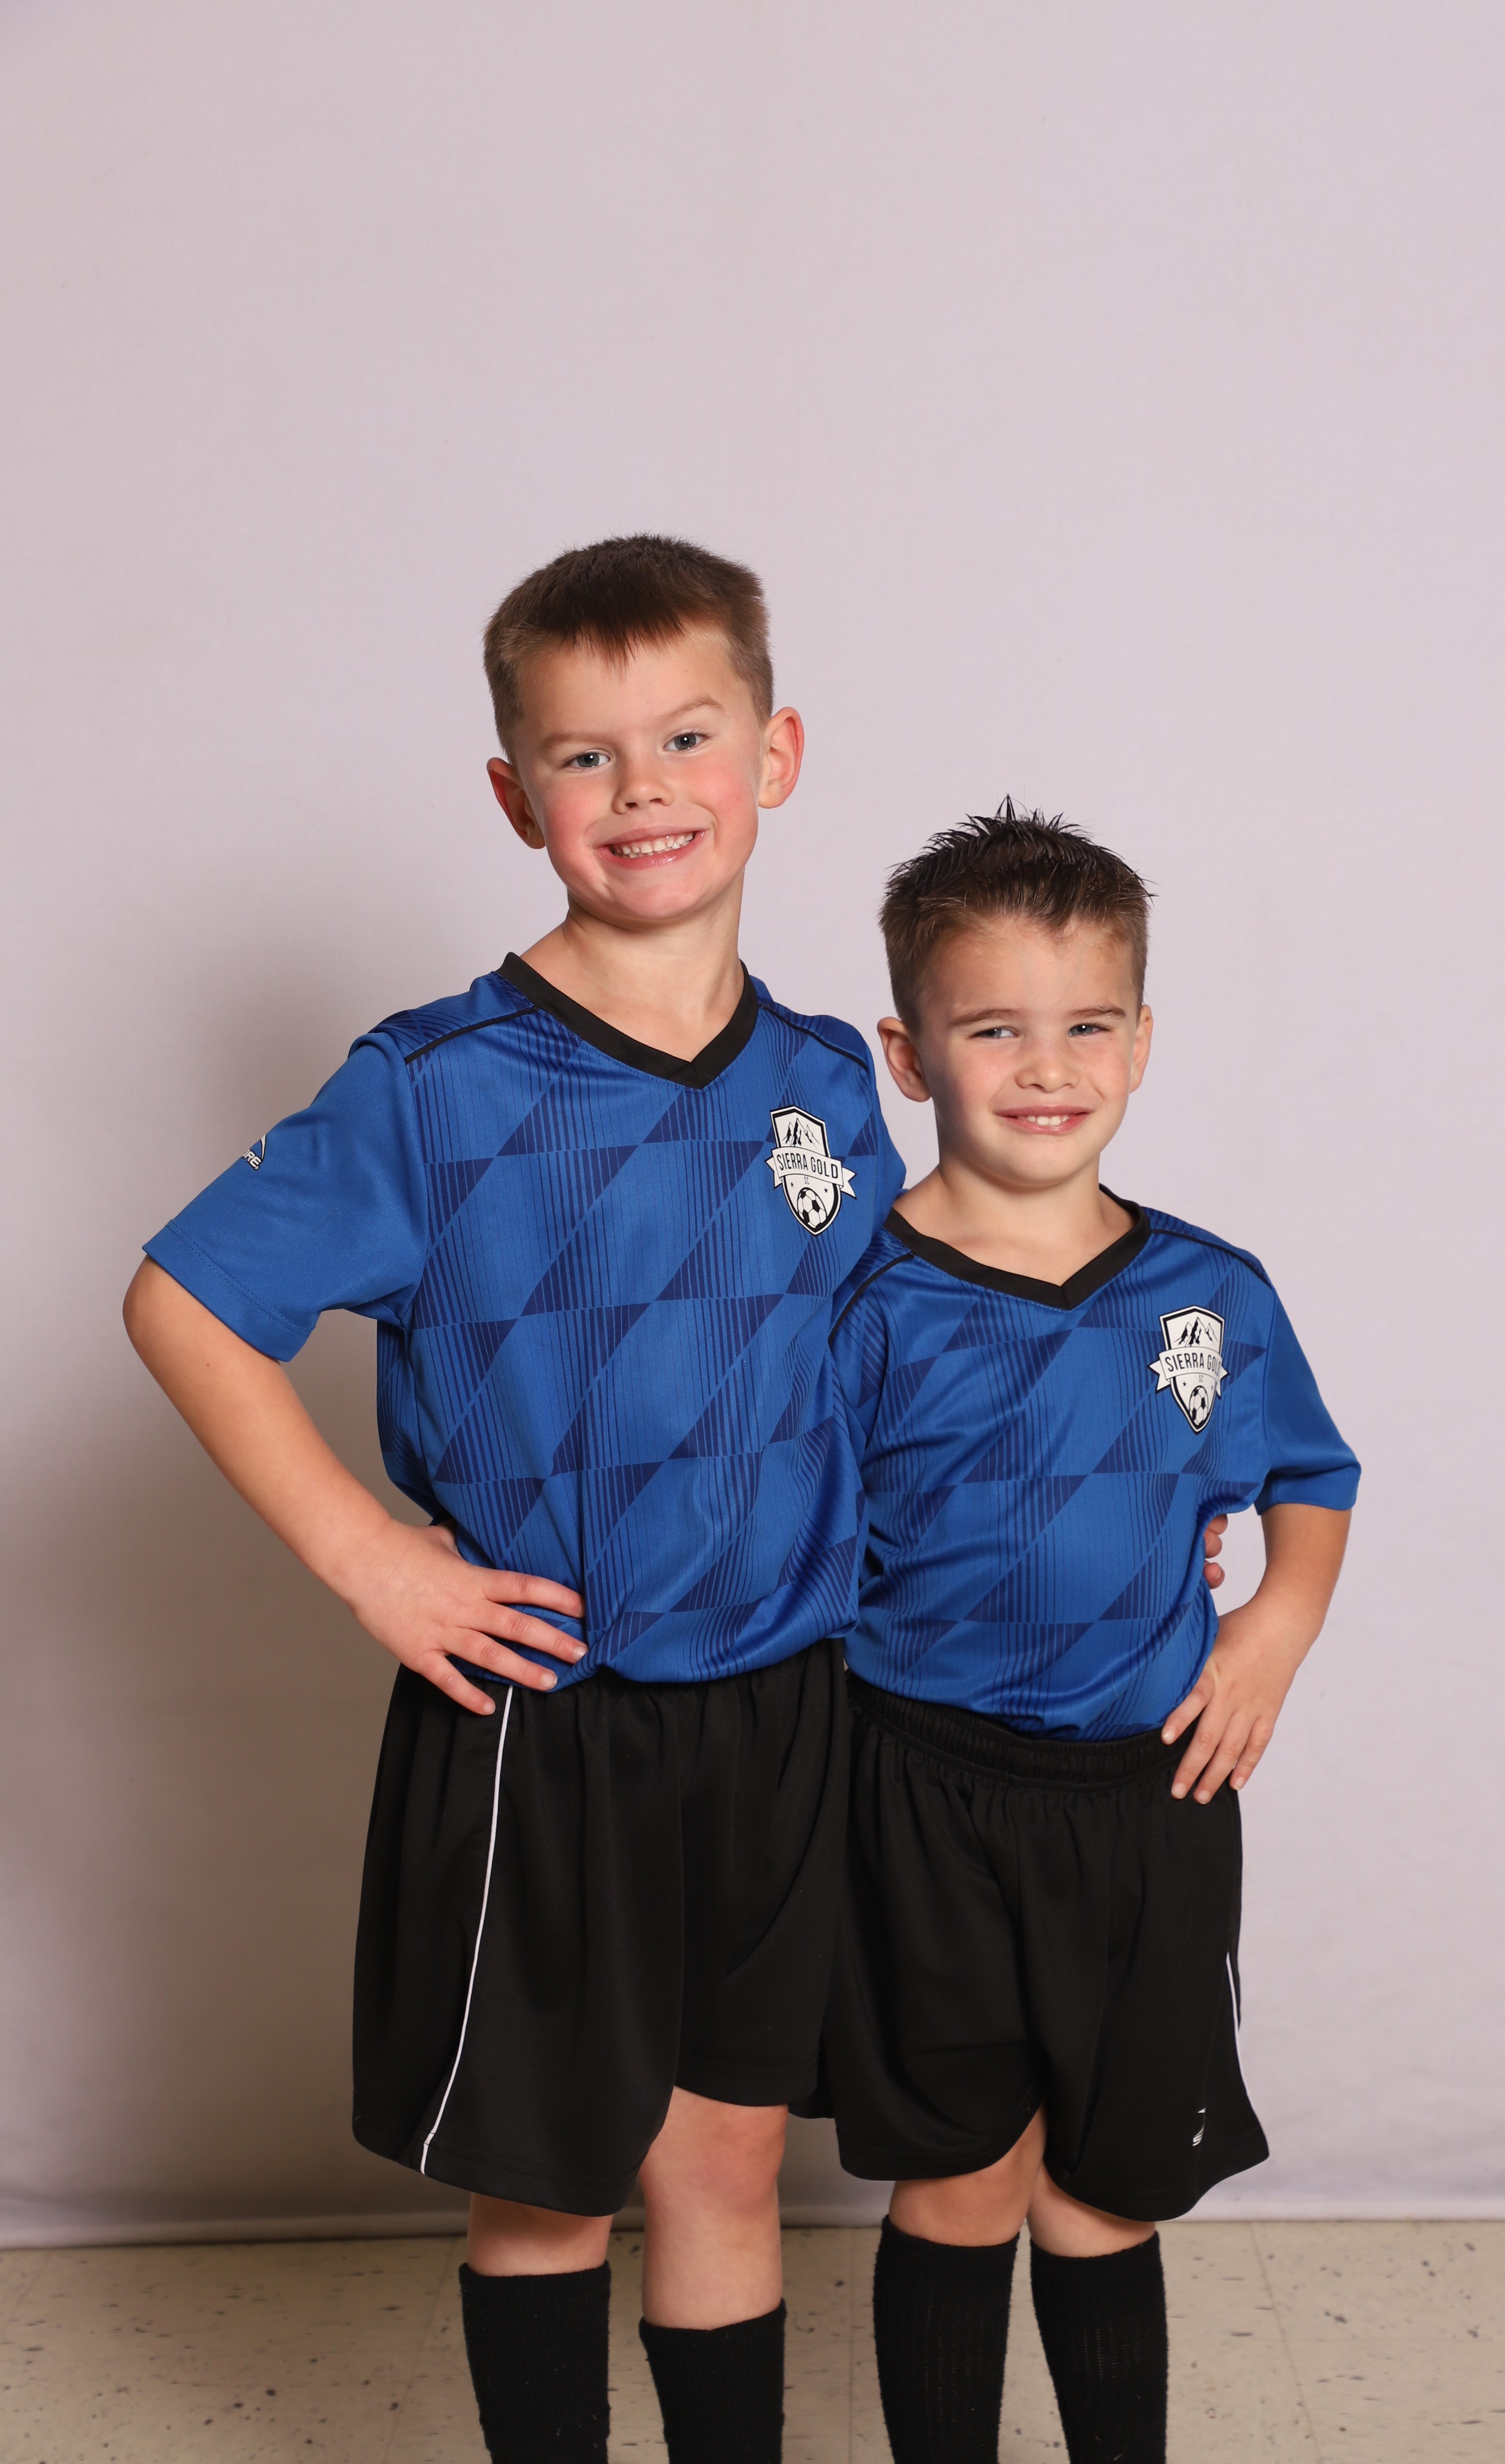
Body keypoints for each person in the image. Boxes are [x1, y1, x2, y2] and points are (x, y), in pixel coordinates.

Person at [121, 535, 909, 2464]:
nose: (643, 789)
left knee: (724, 2165)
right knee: (552, 2185)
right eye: (584, 755)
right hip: (550, 1718)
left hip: (785, 1710)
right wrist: (367, 1558)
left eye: (688, 737)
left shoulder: (827, 1079)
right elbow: (184, 1303)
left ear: (778, 755)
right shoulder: (438, 1087)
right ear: (514, 793)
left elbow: (882, 1368)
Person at [815, 804, 1359, 2464]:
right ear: (910, 1056)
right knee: (962, 2177)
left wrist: (1274, 1627)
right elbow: (778, 1526)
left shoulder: (1208, 1291)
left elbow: (1309, 1475)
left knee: (1105, 2191)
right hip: (922, 1792)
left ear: (1141, 1042)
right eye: (994, 1029)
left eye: (1086, 1026)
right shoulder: (860, 1295)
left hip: (1147, 1801)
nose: (1046, 1068)